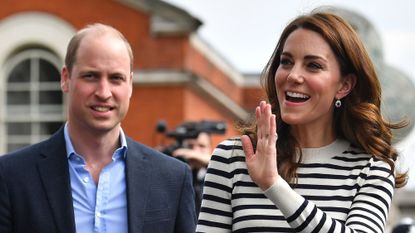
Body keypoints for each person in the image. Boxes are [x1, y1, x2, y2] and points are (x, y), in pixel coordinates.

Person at [196, 10, 407, 233]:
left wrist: (274, 186)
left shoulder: (372, 169)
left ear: (344, 85)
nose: (292, 76)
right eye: (286, 62)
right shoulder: (233, 158)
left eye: (313, 65)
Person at [0, 23, 196, 233]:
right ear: (66, 79)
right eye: (91, 76)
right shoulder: (11, 176)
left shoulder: (172, 178)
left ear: (130, 84)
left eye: (115, 78)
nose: (104, 92)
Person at [172, 131, 213, 213]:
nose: (195, 150)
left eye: (202, 146)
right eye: (190, 146)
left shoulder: (215, 171)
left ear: (210, 149)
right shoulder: (180, 171)